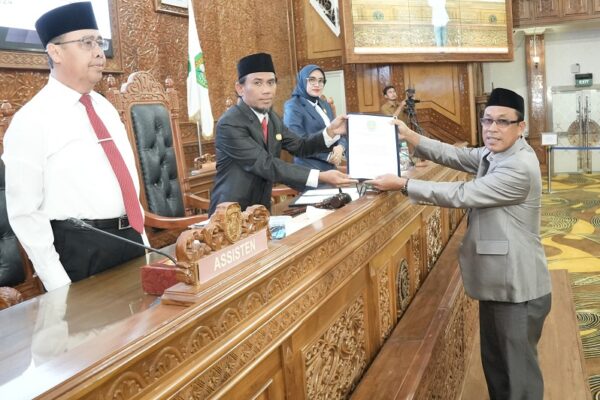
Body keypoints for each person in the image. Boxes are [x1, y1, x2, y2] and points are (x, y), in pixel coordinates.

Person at [367, 88, 552, 400]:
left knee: (519, 380)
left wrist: (404, 184)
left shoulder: (519, 165)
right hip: (499, 281)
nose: (492, 128)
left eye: (503, 122)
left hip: (518, 287)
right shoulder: (497, 153)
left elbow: (461, 194)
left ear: (521, 127)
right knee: (497, 368)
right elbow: (455, 155)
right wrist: (410, 135)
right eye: (487, 120)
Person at [2, 2, 146, 292]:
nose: (99, 52)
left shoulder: (105, 108)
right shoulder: (32, 120)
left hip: (131, 238)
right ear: (55, 52)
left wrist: (142, 238)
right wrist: (58, 285)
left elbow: (126, 180)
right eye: (86, 42)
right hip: (81, 252)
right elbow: (25, 212)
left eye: (99, 42)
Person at [209, 53, 355, 215]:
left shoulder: (272, 118)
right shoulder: (230, 123)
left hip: (261, 209)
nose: (266, 90)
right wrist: (320, 176)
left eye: (271, 82)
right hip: (231, 212)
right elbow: (266, 164)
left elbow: (300, 146)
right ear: (240, 88)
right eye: (257, 83)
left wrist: (330, 131)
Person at [284, 64, 346, 188]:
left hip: (331, 169)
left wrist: (340, 147)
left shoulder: (324, 104)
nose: (317, 84)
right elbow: (297, 143)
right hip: (309, 170)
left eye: (321, 80)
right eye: (312, 80)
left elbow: (338, 131)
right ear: (302, 80)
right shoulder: (293, 106)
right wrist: (328, 156)